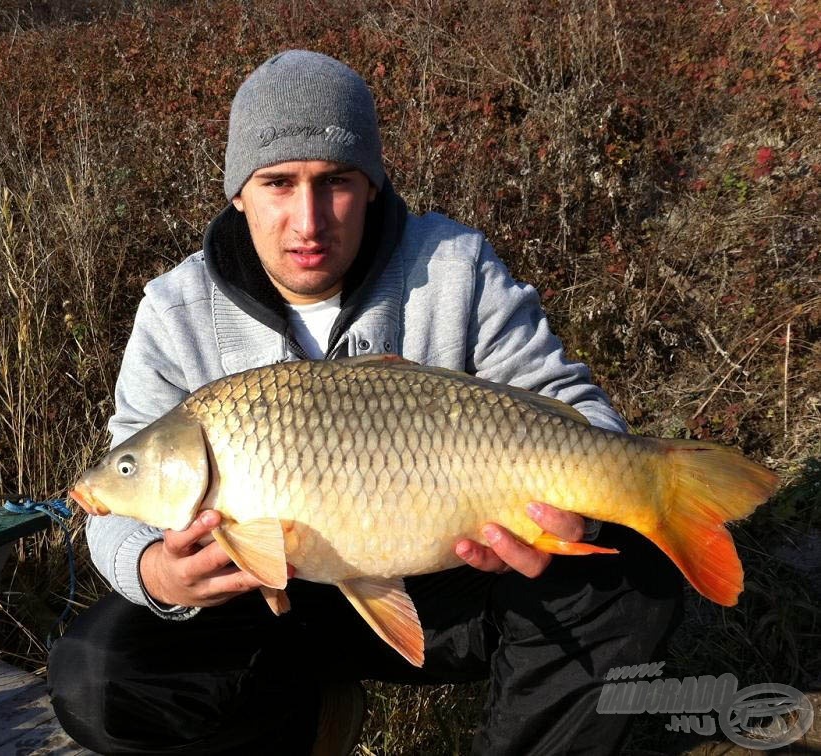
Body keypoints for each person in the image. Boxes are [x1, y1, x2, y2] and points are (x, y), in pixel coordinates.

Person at [48, 50, 683, 755]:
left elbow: (574, 408)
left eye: (336, 182)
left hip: (452, 580)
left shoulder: (452, 267)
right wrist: (157, 573)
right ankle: (304, 727)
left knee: (628, 574)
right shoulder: (175, 310)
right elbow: (117, 496)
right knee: (98, 673)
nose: (307, 220)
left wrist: (570, 505)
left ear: (373, 184)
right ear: (238, 193)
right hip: (260, 603)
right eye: (278, 183)